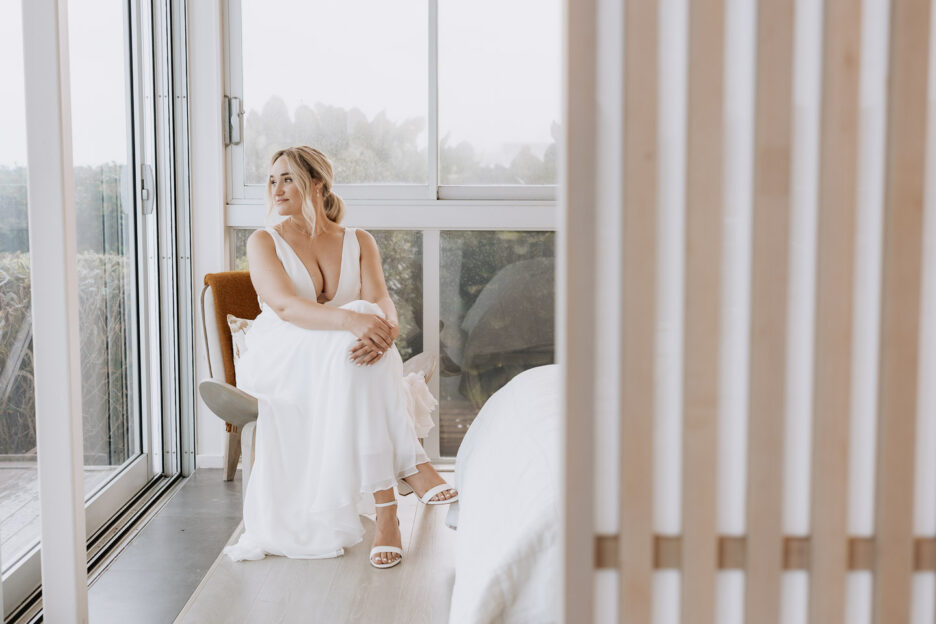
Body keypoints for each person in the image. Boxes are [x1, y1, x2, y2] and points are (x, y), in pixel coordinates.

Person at [222, 146, 457, 569]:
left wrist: (387, 330)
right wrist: (355, 321)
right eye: (272, 180)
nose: (276, 188)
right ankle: (408, 471)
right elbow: (286, 308)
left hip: (347, 357)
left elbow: (381, 299)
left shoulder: (359, 240)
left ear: (317, 184)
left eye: (288, 178)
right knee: (361, 323)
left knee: (366, 328)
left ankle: (389, 509)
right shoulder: (264, 240)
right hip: (282, 354)